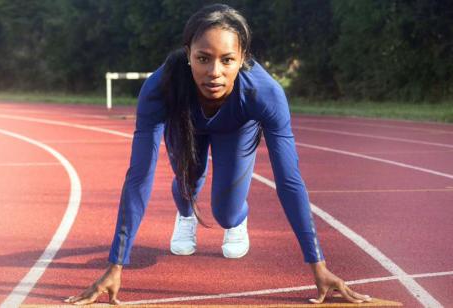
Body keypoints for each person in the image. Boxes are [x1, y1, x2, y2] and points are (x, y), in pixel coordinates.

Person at [65, 4, 372, 305]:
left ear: (243, 59)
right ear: (188, 55)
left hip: (237, 127)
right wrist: (116, 265)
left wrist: (318, 265)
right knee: (188, 184)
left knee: (225, 212)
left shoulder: (264, 93)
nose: (214, 73)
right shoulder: (161, 87)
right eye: (203, 58)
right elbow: (139, 176)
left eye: (227, 60)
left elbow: (289, 181)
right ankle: (186, 214)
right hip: (185, 120)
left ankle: (238, 219)